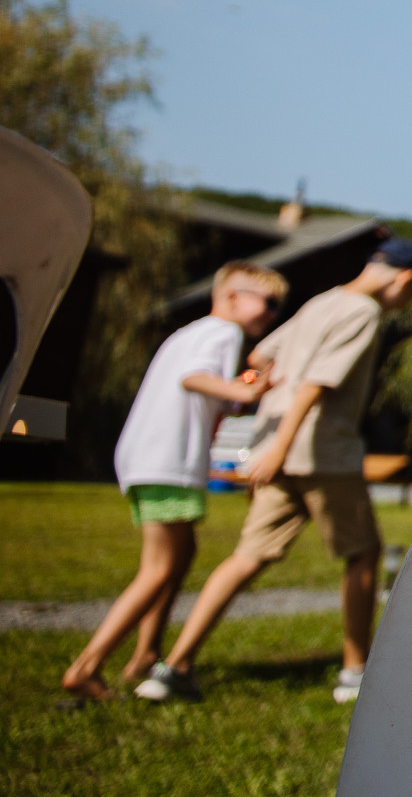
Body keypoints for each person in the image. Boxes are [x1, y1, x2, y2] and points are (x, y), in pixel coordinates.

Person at [138, 238, 412, 705]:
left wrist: (265, 411)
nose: (406, 304)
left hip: (276, 447)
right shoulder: (363, 312)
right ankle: (356, 673)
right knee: (362, 553)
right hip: (321, 452)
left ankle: (172, 668)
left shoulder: (321, 302)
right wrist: (282, 445)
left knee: (248, 556)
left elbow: (259, 358)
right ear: (405, 278)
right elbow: (317, 382)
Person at [58, 262, 282, 702]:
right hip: (168, 460)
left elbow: (198, 388)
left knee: (179, 557)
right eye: (268, 301)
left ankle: (146, 655)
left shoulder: (189, 332)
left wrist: (236, 391)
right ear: (233, 296)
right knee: (160, 568)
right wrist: (248, 393)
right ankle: (85, 667)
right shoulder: (224, 333)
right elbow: (194, 378)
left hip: (145, 457)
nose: (272, 313)